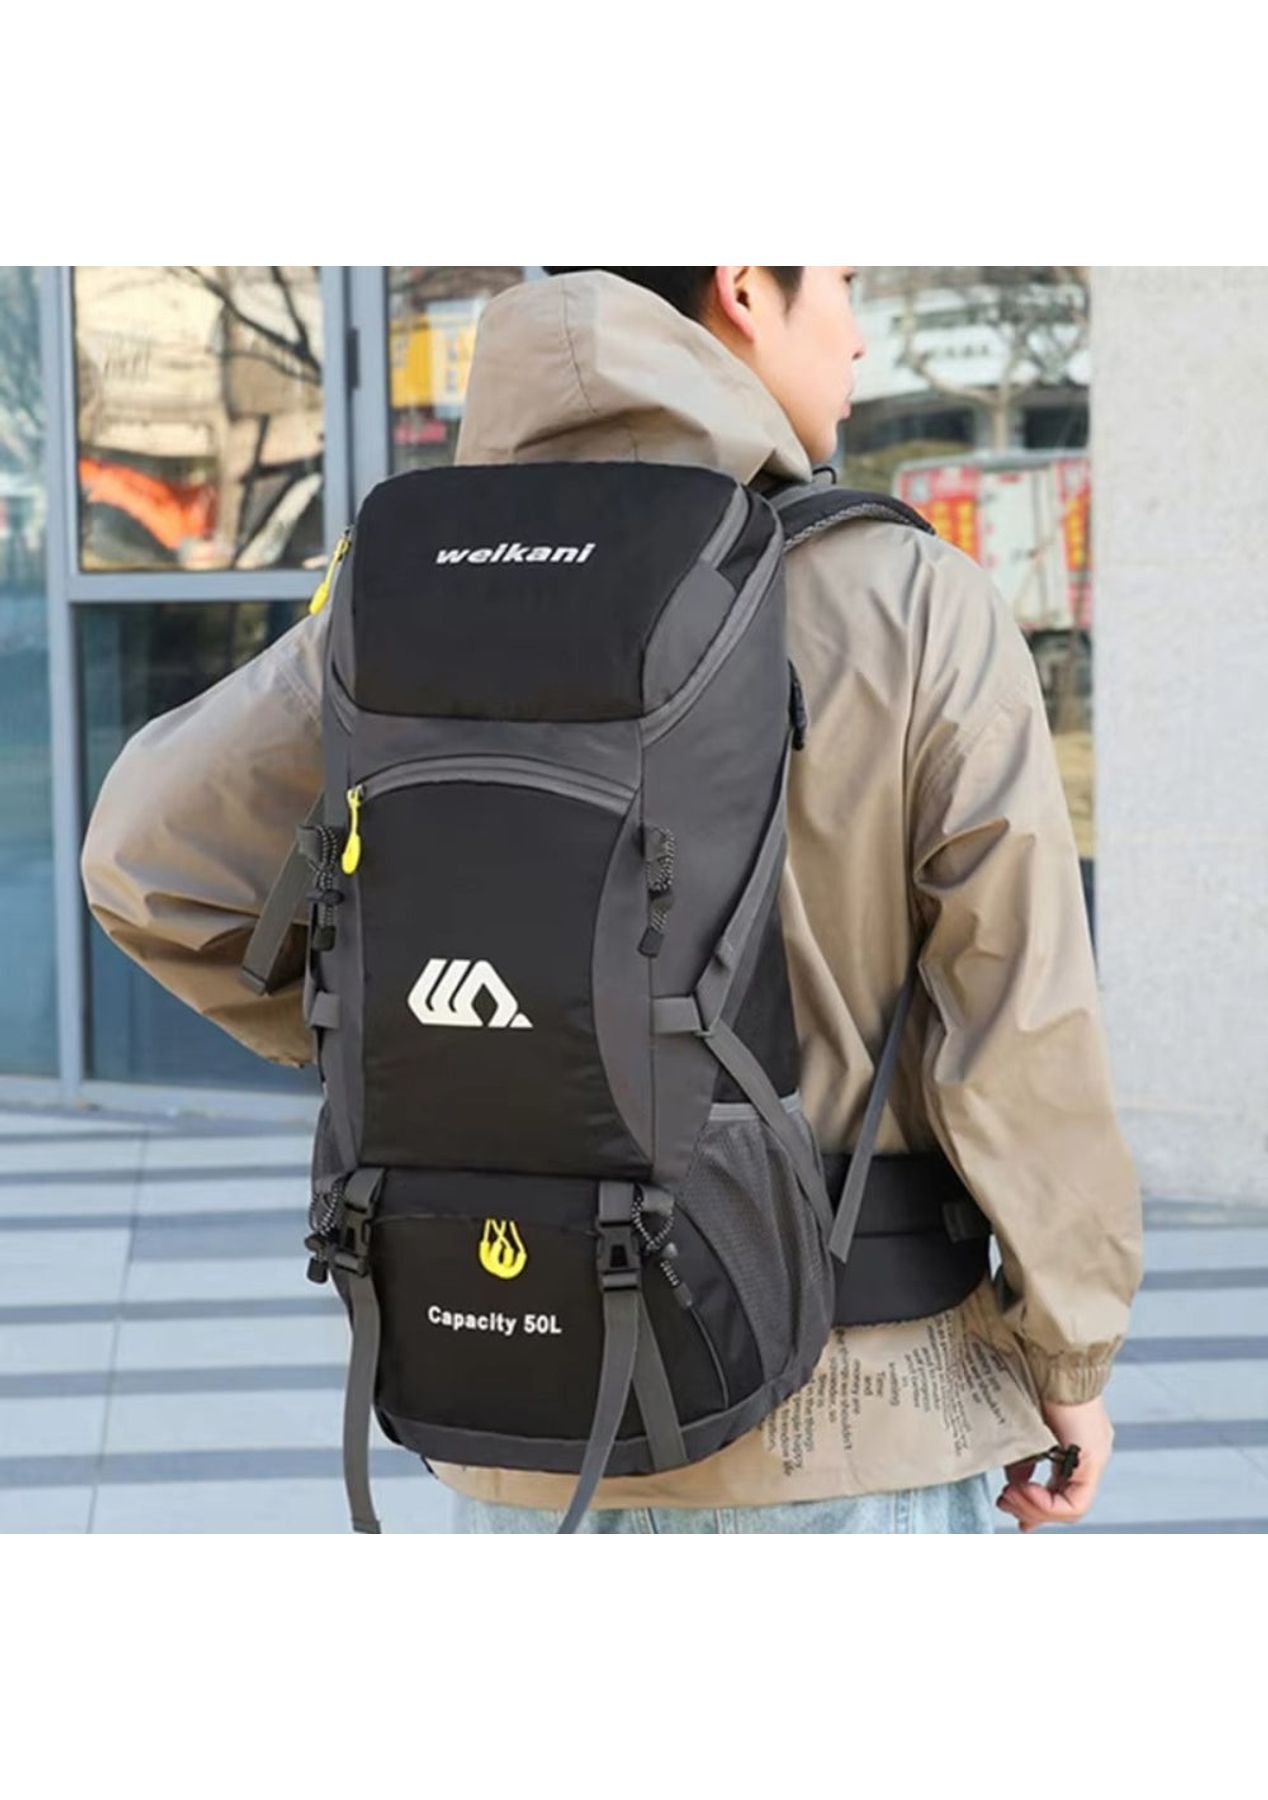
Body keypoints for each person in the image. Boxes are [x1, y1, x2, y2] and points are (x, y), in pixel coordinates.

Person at [80, 266, 1143, 1535]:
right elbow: (1016, 1015)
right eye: (841, 283)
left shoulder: (414, 589)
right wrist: (1068, 1349)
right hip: (846, 1423)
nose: (858, 339)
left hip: (520, 1410)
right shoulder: (906, 594)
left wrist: (443, 1047)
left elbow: (145, 863)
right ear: (743, 285)